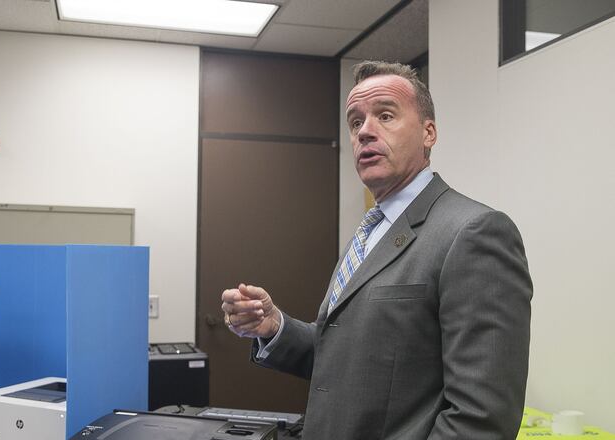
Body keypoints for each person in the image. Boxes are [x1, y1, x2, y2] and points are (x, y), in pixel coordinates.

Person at [221, 60, 532, 439]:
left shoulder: (474, 232)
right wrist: (275, 327)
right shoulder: (371, 232)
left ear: (428, 132)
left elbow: (483, 419)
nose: (365, 132)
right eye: (355, 122)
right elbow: (349, 357)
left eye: (385, 116)